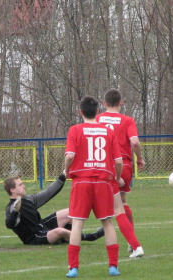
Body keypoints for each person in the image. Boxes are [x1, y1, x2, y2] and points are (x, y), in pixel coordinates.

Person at [64, 96, 124, 278]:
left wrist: (67, 171)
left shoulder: (75, 130)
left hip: (81, 181)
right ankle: (113, 266)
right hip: (103, 182)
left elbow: (69, 156)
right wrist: (118, 177)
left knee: (77, 224)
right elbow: (119, 161)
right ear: (98, 112)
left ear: (80, 111)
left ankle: (73, 268)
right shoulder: (108, 132)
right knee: (107, 223)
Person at [96, 89, 145, 257]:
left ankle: (135, 245)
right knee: (122, 203)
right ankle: (132, 244)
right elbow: (135, 141)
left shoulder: (97, 119)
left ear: (104, 103)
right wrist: (139, 158)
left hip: (103, 165)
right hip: (123, 165)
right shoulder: (127, 120)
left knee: (116, 209)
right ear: (121, 102)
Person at [4, 173, 105, 245]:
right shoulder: (11, 208)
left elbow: (48, 193)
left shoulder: (28, 200)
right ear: (12, 190)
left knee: (71, 212)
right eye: (20, 185)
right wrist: (15, 212)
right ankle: (91, 237)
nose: (24, 186)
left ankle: (66, 239)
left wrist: (63, 176)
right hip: (35, 237)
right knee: (60, 231)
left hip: (42, 226)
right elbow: (9, 224)